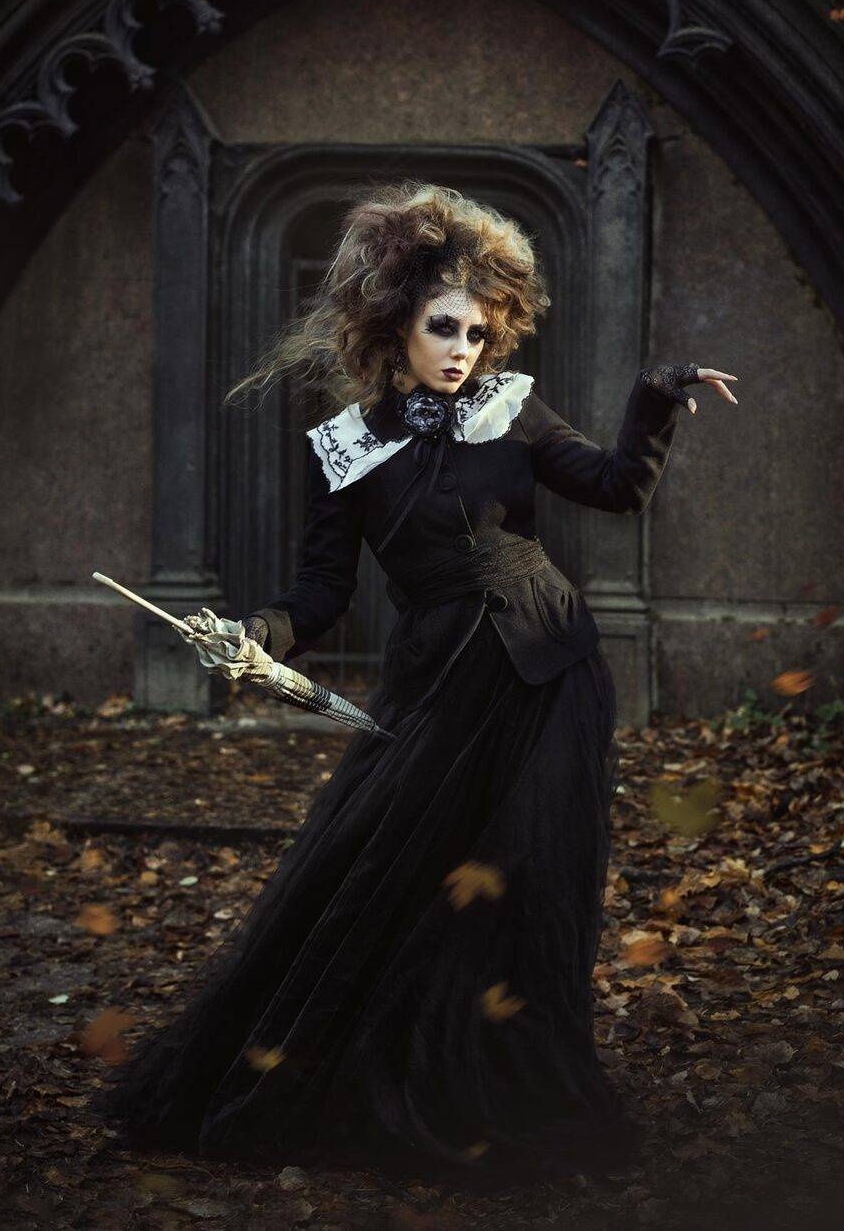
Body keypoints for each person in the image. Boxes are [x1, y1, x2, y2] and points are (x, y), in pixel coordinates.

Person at [95, 182, 738, 1185]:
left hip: (551, 672)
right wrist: (257, 635)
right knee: (390, 880)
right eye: (445, 327)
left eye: (478, 332)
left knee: (526, 885)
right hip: (438, 690)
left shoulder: (510, 410)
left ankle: (516, 1086)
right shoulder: (346, 446)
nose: (463, 350)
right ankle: (386, 1077)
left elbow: (617, 486)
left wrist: (654, 395)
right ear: (395, 321)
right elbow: (321, 590)